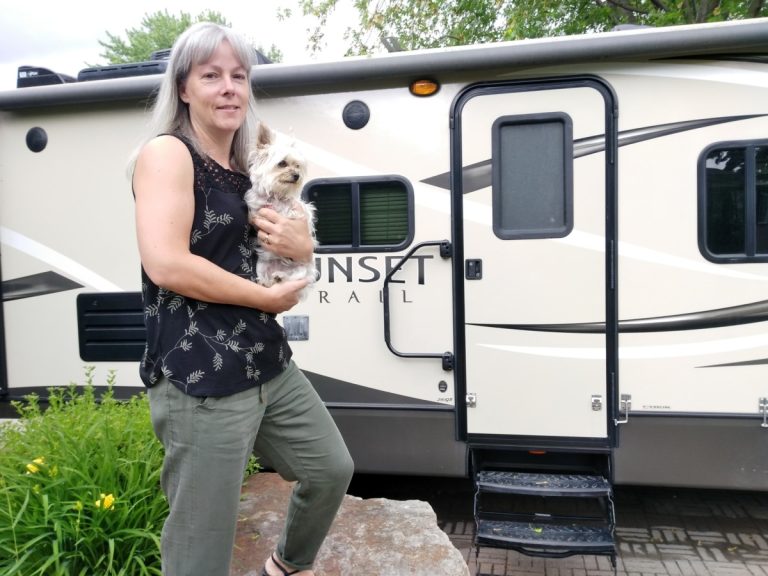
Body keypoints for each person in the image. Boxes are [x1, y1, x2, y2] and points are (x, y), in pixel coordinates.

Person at [132, 21, 354, 576]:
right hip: (200, 373)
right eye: (211, 75)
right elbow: (166, 263)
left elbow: (282, 252)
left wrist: (302, 247)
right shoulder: (167, 154)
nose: (230, 87)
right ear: (184, 88)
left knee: (329, 468)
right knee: (201, 544)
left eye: (239, 75)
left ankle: (286, 566)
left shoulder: (246, 163)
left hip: (265, 359)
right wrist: (264, 301)